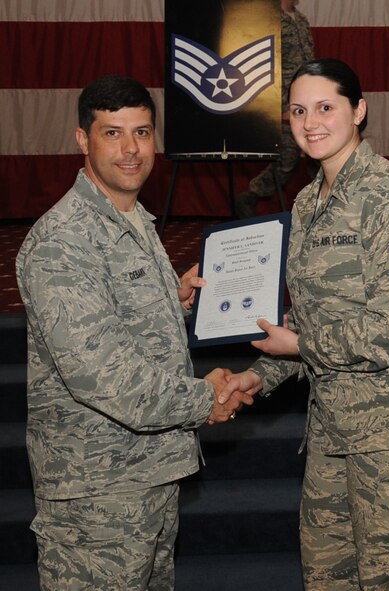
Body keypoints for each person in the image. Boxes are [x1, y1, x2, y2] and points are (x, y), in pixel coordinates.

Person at [220, 58, 389, 590]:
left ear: (359, 110)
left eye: (326, 107)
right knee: (326, 579)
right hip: (335, 433)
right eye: (298, 110)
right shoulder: (310, 202)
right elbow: (309, 323)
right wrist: (258, 377)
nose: (311, 122)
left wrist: (301, 344)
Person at [15, 75, 255, 590]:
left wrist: (178, 300)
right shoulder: (62, 242)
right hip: (95, 496)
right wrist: (203, 398)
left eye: (142, 133)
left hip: (149, 476)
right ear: (83, 139)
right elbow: (104, 376)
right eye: (112, 133)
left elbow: (125, 321)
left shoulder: (135, 220)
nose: (131, 150)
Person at [235, 0, 315, 218]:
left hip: (306, 100)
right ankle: (250, 196)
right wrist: (278, 107)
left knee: (317, 156)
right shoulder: (268, 20)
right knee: (287, 161)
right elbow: (261, 68)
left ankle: (324, 204)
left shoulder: (301, 20)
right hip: (282, 103)